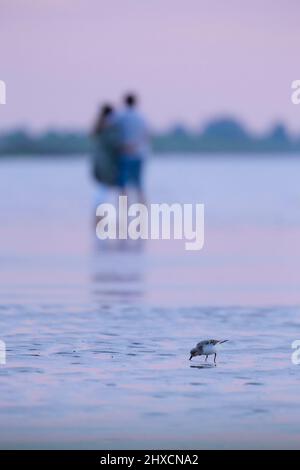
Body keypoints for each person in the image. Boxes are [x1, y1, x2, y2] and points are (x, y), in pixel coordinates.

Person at [117, 93, 149, 203]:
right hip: (139, 154)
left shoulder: (120, 117)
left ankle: (124, 212)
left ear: (125, 102)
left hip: (125, 155)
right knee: (139, 185)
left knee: (123, 185)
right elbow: (146, 135)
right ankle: (142, 211)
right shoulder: (142, 118)